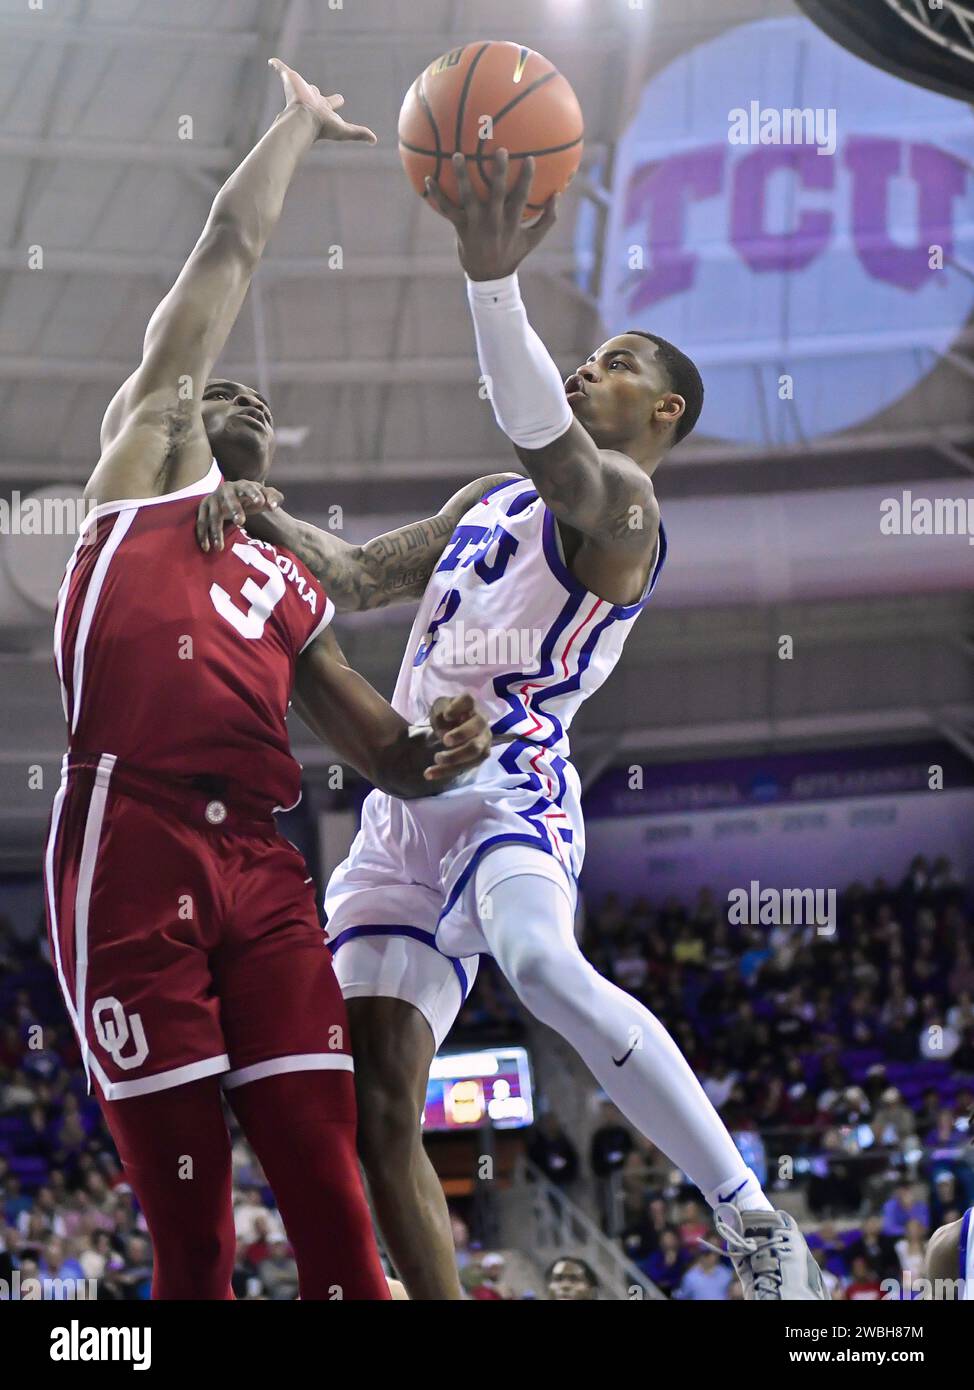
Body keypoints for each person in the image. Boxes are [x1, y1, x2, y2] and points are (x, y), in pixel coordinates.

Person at [202, 147, 825, 1301]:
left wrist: (489, 282)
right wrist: (255, 515)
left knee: (538, 962)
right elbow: (353, 572)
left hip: (510, 784)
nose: (593, 369)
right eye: (586, 357)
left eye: (617, 363)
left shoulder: (624, 509)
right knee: (370, 1096)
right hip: (397, 810)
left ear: (663, 408)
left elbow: (554, 447)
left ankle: (748, 1218)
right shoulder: (481, 502)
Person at [43, 59, 491, 1301]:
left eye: (261, 401)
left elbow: (384, 750)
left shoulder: (288, 584)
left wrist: (435, 739)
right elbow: (228, 252)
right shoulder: (146, 468)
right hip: (132, 838)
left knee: (335, 1208)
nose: (241, 391)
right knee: (197, 1247)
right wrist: (299, 124)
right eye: (221, 389)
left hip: (265, 865)